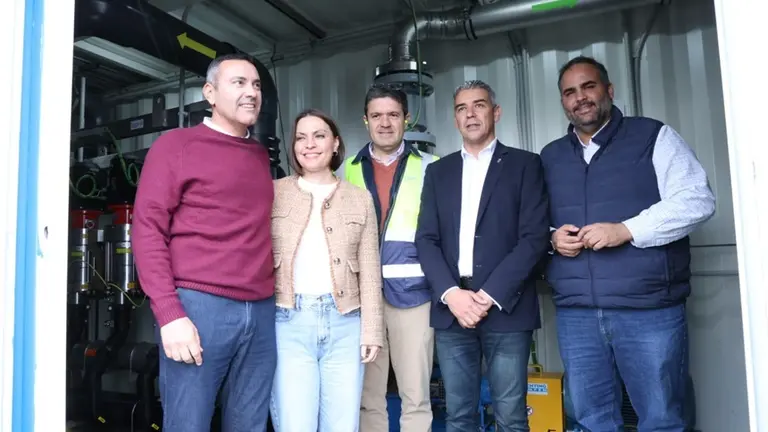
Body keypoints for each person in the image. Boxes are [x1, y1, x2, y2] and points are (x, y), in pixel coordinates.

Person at [540, 55, 716, 432]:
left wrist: (626, 230)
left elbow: (697, 199)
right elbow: (534, 224)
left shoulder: (653, 136)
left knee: (662, 419)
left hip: (647, 310)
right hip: (577, 314)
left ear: (609, 90)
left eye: (589, 86)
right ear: (562, 102)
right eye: (570, 92)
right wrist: (552, 239)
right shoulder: (551, 156)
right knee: (591, 419)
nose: (580, 98)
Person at [132, 53, 277, 432]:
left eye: (257, 85)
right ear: (210, 93)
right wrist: (169, 314)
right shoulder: (176, 145)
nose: (251, 93)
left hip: (261, 312)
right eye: (239, 83)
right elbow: (147, 228)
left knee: (249, 425)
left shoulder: (261, 157)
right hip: (199, 307)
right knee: (188, 424)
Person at [415, 80, 551, 432]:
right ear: (455, 118)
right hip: (452, 309)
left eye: (479, 105)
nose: (470, 114)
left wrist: (487, 296)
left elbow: (534, 238)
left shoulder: (525, 165)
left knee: (511, 416)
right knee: (459, 416)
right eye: (462, 108)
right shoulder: (438, 172)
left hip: (507, 307)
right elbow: (426, 240)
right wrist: (452, 295)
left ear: (496, 112)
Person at [269, 108, 384, 431]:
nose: (309, 144)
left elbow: (370, 269)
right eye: (301, 138)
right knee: (295, 424)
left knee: (342, 425)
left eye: (319, 136)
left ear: (335, 144)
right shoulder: (275, 193)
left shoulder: (359, 199)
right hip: (288, 322)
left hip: (345, 323)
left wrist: (372, 329)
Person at [336, 84, 439, 431]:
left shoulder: (432, 167)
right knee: (368, 398)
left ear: (406, 120)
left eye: (393, 115)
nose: (385, 123)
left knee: (416, 397)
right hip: (363, 301)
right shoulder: (346, 171)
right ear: (365, 120)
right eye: (377, 115)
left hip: (415, 296)